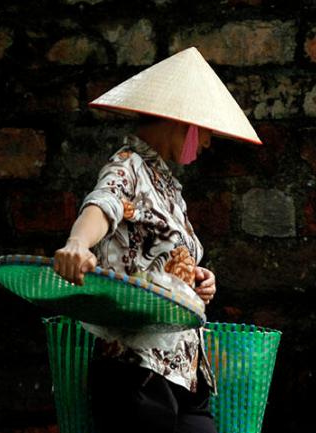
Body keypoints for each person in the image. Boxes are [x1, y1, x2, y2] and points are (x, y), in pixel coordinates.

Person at [53, 47, 261, 433]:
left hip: (185, 374)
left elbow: (156, 260)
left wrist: (198, 280)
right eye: (207, 132)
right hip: (137, 372)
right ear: (180, 122)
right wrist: (78, 244)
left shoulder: (168, 185)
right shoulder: (128, 164)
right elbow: (104, 204)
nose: (208, 143)